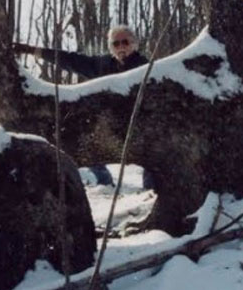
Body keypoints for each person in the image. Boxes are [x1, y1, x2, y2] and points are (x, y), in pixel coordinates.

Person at [14, 25, 154, 189]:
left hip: (140, 125)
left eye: (125, 42)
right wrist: (32, 50)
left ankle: (150, 190)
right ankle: (105, 184)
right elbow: (70, 60)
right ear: (111, 47)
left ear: (134, 44)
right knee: (85, 143)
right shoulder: (102, 65)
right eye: (116, 44)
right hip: (110, 125)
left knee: (155, 151)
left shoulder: (147, 67)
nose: (121, 47)